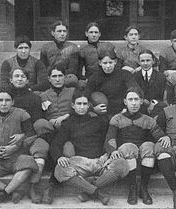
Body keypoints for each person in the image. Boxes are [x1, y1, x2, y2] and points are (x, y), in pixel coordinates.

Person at [50, 87, 129, 205]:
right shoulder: (68, 123)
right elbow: (56, 144)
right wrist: (59, 157)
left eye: (84, 104)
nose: (82, 107)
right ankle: (97, 192)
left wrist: (111, 152)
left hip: (101, 160)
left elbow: (109, 138)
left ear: (89, 105)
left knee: (122, 164)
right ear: (73, 105)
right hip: (81, 162)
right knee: (59, 170)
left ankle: (88, 190)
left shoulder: (99, 120)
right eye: (79, 104)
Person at [104, 88, 171, 205]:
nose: (134, 103)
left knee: (149, 146)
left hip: (144, 160)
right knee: (129, 147)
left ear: (141, 101)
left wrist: (166, 137)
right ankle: (132, 188)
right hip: (126, 156)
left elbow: (159, 136)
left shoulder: (148, 120)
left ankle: (143, 188)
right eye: (130, 99)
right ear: (125, 102)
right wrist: (113, 151)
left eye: (136, 99)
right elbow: (110, 138)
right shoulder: (117, 119)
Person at [34, 63, 75, 204]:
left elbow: (79, 108)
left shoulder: (72, 92)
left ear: (64, 77)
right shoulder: (43, 95)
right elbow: (40, 115)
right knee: (40, 124)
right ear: (49, 79)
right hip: (51, 132)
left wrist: (64, 117)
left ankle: (51, 187)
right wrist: (50, 120)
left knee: (68, 152)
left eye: (60, 76)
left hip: (68, 130)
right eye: (54, 76)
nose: (57, 79)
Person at [9, 68, 50, 203]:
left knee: (41, 147)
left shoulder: (34, 98)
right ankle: (21, 188)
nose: (19, 79)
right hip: (10, 136)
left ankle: (32, 186)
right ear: (11, 79)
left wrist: (24, 134)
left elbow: (37, 121)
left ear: (27, 80)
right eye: (16, 76)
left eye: (22, 76)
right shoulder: (5, 97)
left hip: (30, 135)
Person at [85, 49, 141, 116]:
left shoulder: (125, 74)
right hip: (102, 113)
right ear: (100, 63)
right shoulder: (94, 77)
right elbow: (86, 95)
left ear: (115, 61)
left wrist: (126, 108)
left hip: (122, 111)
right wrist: (93, 109)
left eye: (110, 62)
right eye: (105, 63)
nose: (108, 66)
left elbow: (135, 90)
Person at [40, 20, 79, 87]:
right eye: (59, 31)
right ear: (53, 33)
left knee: (72, 80)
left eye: (64, 31)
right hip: (51, 76)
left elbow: (73, 69)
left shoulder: (73, 47)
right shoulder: (46, 47)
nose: (62, 34)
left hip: (66, 77)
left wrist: (60, 75)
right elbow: (43, 67)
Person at [133, 49, 166, 117]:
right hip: (139, 108)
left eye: (148, 60)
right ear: (139, 62)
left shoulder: (161, 77)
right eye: (142, 61)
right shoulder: (134, 77)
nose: (145, 63)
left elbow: (162, 95)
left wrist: (153, 103)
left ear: (153, 61)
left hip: (156, 108)